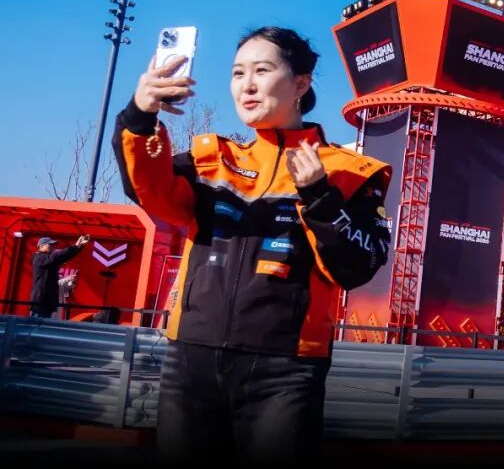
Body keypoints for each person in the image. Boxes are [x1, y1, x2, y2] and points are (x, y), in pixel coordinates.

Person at [112, 27, 391, 463]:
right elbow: (150, 190)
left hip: (285, 371)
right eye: (238, 72)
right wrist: (139, 117)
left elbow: (358, 266)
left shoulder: (350, 172)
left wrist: (319, 196)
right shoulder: (213, 160)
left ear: (301, 83)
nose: (247, 84)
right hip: (191, 361)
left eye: (262, 70)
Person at [30, 235, 90, 318]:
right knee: (36, 323)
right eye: (50, 245)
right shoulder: (38, 257)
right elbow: (57, 256)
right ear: (41, 246)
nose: (53, 247)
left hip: (48, 300)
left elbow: (64, 256)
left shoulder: (48, 258)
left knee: (44, 323)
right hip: (41, 299)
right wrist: (75, 246)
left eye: (53, 245)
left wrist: (79, 246)